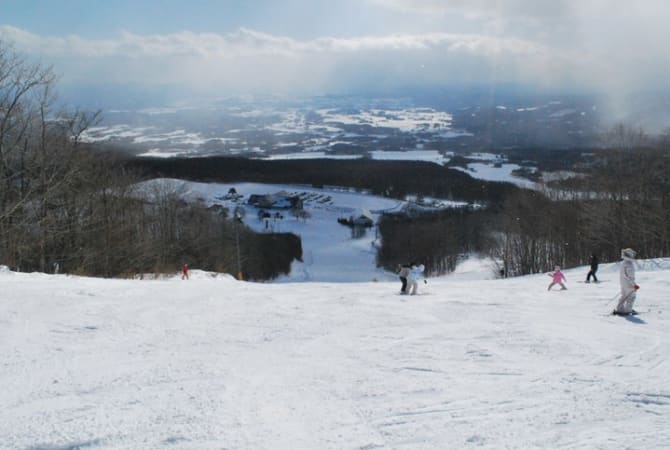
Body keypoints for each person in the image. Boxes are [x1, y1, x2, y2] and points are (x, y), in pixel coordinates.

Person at [614, 248, 639, 315]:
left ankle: (620, 309)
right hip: (629, 284)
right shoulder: (629, 264)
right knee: (631, 297)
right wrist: (634, 285)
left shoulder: (623, 263)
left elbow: (624, 275)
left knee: (624, 296)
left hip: (623, 283)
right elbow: (630, 277)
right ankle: (628, 310)